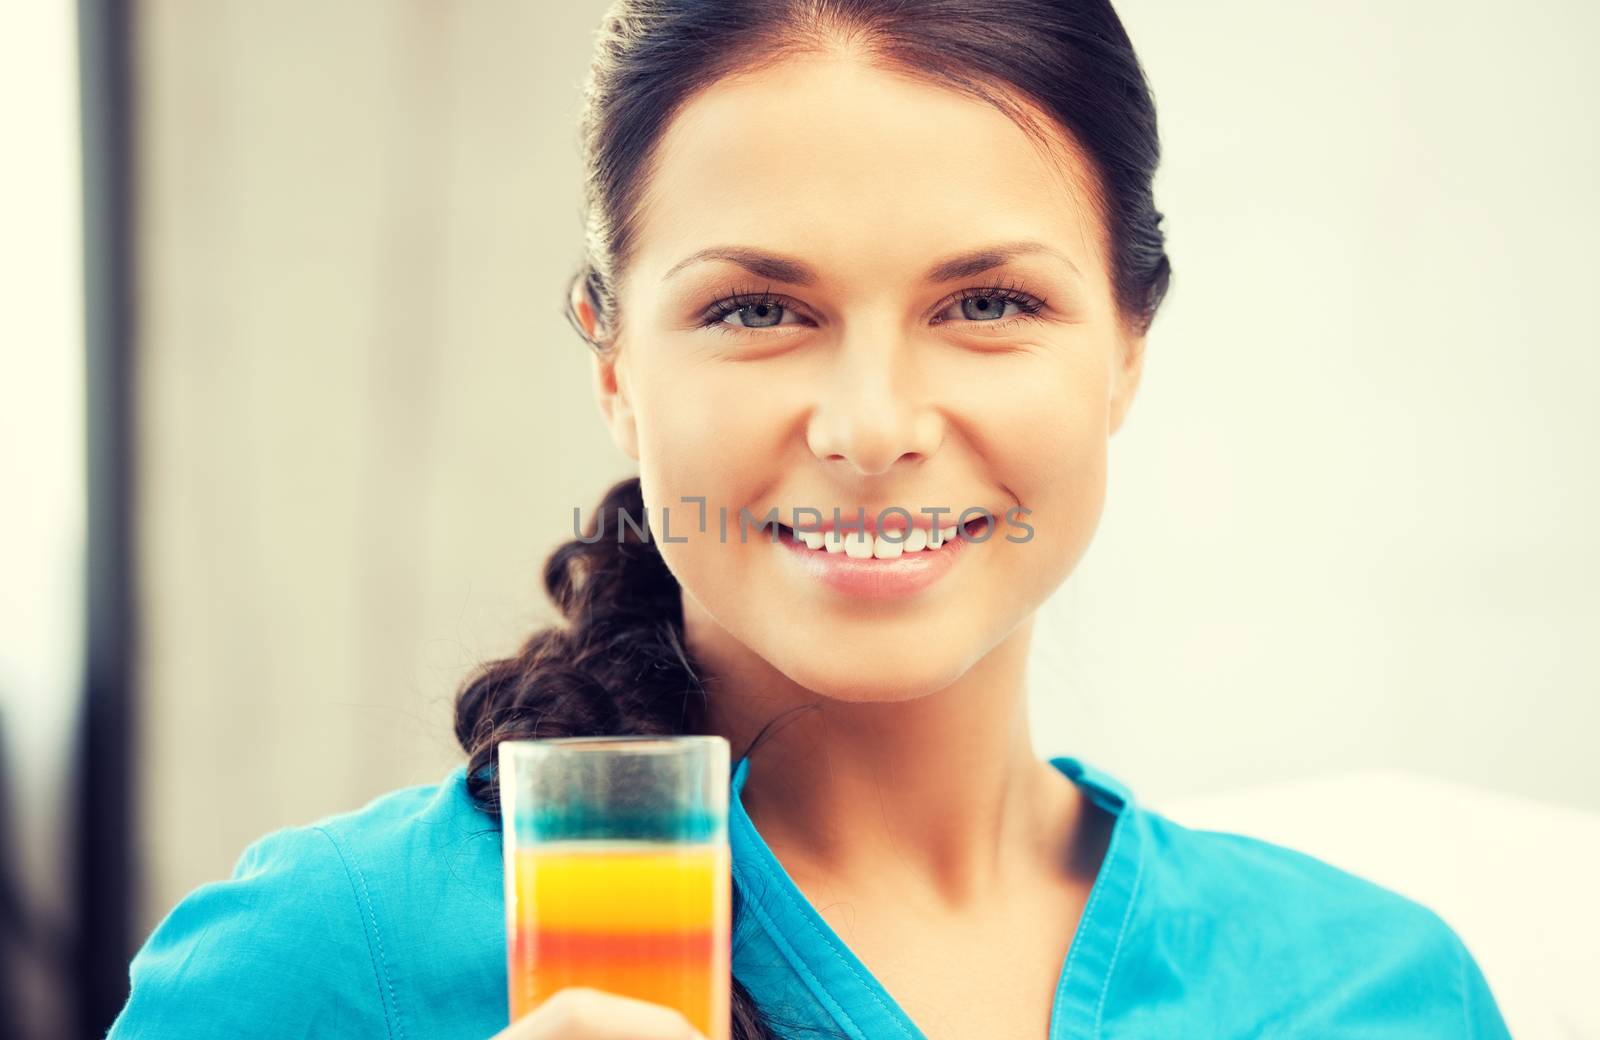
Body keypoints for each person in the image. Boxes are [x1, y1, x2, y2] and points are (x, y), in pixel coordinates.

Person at [107, 1, 1513, 1037]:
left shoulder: (1380, 990)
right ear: (612, 364)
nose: (871, 427)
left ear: (1130, 346)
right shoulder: (320, 970)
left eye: (988, 305)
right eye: (758, 311)